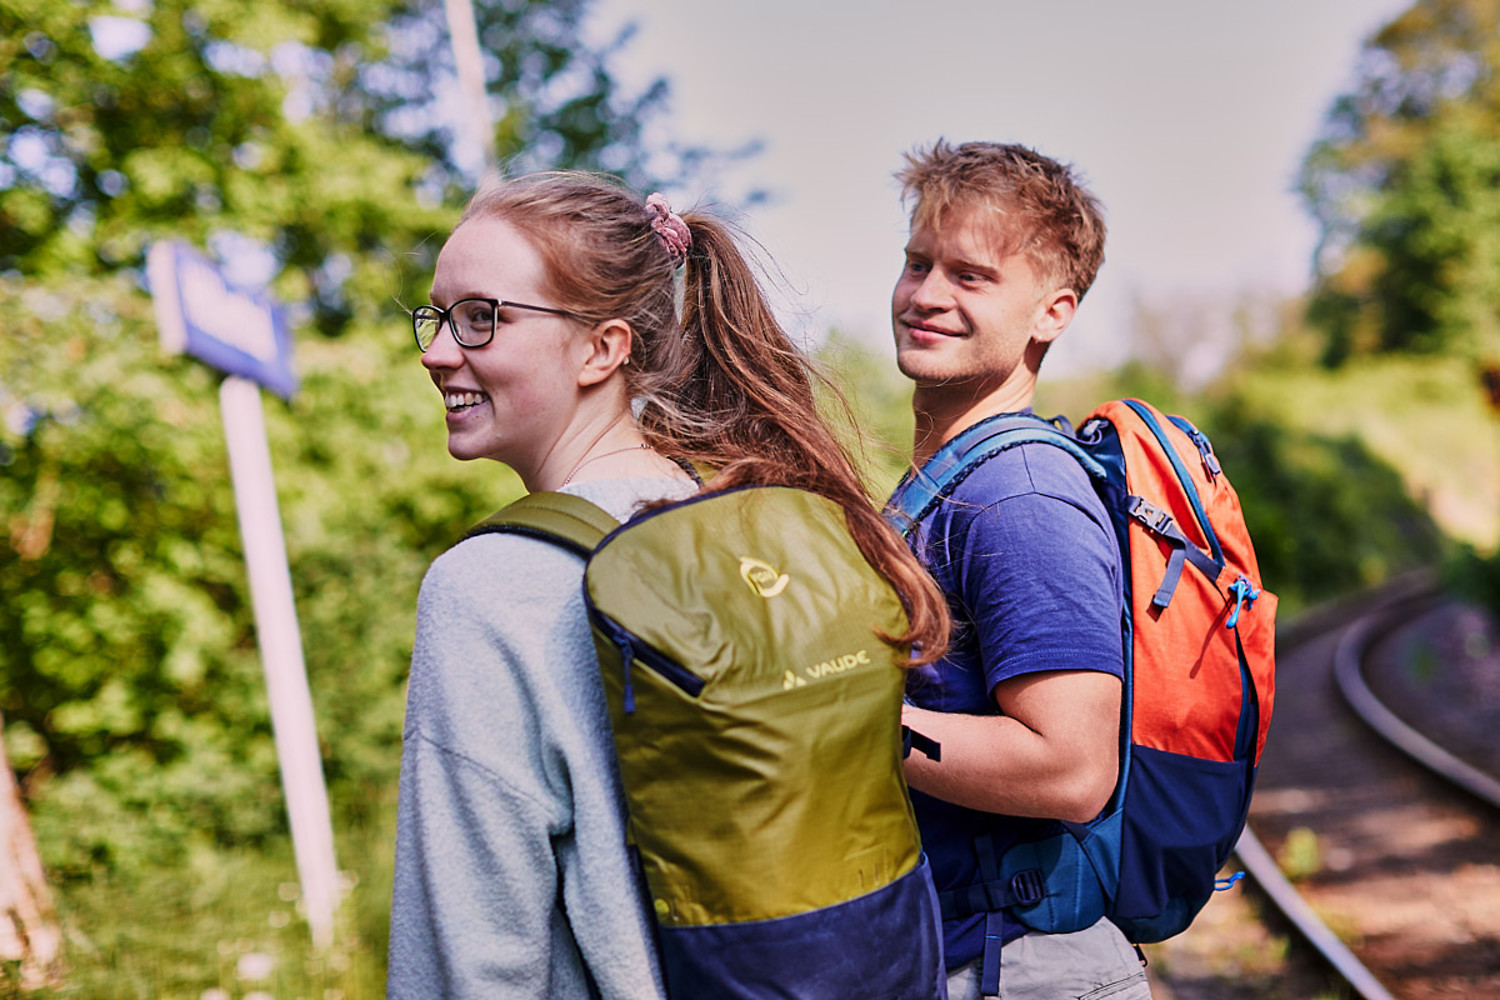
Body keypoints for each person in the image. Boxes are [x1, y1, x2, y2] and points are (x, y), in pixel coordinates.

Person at [387, 171, 951, 999]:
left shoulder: (488, 585)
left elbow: (467, 954)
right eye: (436, 317)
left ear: (603, 348)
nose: (439, 351)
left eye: (482, 318)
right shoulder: (742, 529)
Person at [889, 141, 1152, 1000]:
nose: (926, 295)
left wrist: (831, 717)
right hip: (970, 959)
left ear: (1053, 311)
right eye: (917, 263)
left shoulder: (1018, 497)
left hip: (1027, 972)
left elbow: (1070, 769)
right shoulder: (949, 480)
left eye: (970, 276)